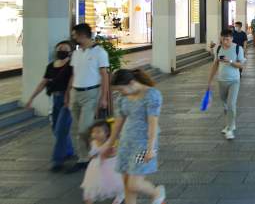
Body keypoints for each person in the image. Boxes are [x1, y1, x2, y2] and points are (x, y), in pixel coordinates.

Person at [103, 69, 165, 204]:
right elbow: (118, 123)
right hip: (126, 142)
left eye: (121, 89)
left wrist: (150, 148)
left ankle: (157, 192)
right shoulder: (122, 98)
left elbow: (153, 124)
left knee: (134, 184)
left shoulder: (152, 95)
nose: (120, 93)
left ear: (131, 83)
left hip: (143, 144)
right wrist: (109, 144)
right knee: (126, 181)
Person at [26, 40, 76, 172]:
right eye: (59, 48)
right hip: (55, 99)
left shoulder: (72, 66)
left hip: (67, 101)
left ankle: (57, 160)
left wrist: (68, 96)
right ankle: (69, 151)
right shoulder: (50, 66)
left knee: (60, 130)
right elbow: (43, 83)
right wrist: (31, 98)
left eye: (65, 48)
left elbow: (74, 83)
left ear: (70, 52)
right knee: (57, 129)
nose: (61, 50)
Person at [68, 23, 110, 173]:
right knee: (78, 128)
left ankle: (91, 155)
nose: (73, 38)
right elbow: (73, 75)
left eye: (74, 35)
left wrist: (104, 98)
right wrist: (68, 93)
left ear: (82, 35)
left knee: (84, 128)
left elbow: (104, 76)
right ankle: (85, 157)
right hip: (76, 93)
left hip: (91, 93)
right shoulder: (76, 53)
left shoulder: (100, 53)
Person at [207, 29, 245, 140]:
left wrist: (230, 61)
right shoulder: (218, 49)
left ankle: (230, 129)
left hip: (234, 81)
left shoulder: (238, 48)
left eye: (227, 39)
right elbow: (215, 65)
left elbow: (241, 66)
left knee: (231, 104)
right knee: (225, 105)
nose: (225, 42)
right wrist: (209, 81)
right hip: (221, 81)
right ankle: (229, 124)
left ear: (232, 38)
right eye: (223, 39)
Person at [81, 120, 125, 204]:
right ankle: (89, 198)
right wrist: (92, 155)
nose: (95, 134)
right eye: (93, 132)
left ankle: (120, 194)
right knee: (92, 184)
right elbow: (92, 154)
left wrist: (109, 154)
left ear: (107, 133)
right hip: (95, 167)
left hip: (110, 166)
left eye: (98, 132)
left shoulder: (110, 143)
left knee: (114, 182)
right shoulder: (93, 142)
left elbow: (115, 153)